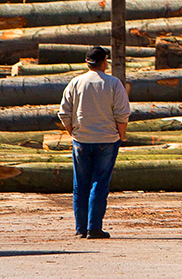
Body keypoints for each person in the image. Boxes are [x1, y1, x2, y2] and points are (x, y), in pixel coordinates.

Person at [58, 45, 129, 239]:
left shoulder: (76, 82)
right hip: (107, 138)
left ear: (86, 62)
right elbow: (122, 114)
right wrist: (121, 136)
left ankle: (80, 228)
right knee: (100, 183)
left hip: (81, 139)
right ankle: (94, 227)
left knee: (80, 184)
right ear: (104, 62)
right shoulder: (113, 83)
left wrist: (73, 132)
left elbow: (64, 112)